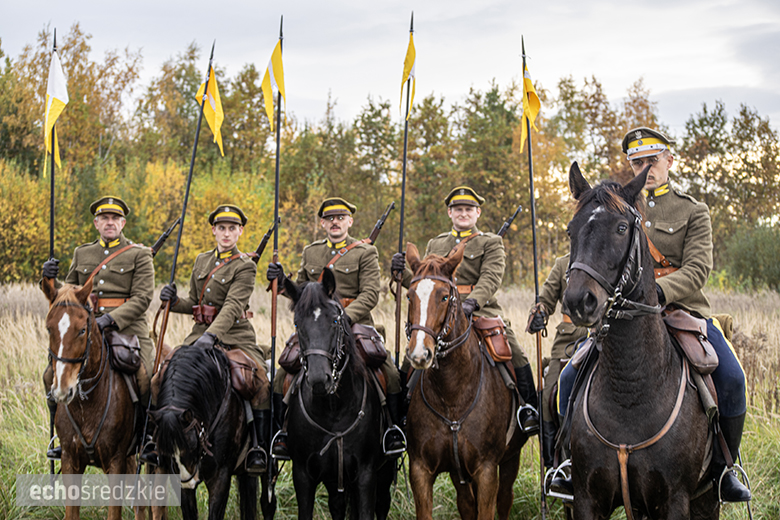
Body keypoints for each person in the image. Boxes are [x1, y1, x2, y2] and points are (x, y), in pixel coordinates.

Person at [553, 127, 750, 502]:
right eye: (637, 162)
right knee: (567, 378)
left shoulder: (693, 210)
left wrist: (660, 291)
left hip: (683, 311)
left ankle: (725, 470)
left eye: (652, 160)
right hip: (623, 314)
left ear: (669, 161)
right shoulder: (617, 209)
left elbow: (697, 270)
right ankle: (567, 464)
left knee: (732, 377)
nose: (646, 167)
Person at [392, 186, 540, 433]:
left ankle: (528, 409)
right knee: (412, 357)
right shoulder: (436, 242)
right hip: (439, 312)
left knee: (514, 351)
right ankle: (400, 416)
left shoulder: (490, 242)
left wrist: (473, 302)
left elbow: (491, 278)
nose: (463, 213)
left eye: (468, 209)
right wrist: (402, 273)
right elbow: (425, 284)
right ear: (450, 213)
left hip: (480, 310)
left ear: (477, 212)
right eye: (458, 209)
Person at [267, 197, 406, 458]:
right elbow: (300, 293)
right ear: (322, 223)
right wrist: (281, 281)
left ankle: (393, 430)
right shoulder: (311, 252)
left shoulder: (365, 252)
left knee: (390, 372)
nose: (335, 222)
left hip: (356, 324)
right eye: (330, 218)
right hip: (317, 328)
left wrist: (343, 317)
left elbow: (370, 295)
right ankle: (282, 434)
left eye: (340, 218)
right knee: (280, 375)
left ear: (350, 221)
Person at [157, 204, 269, 475]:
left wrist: (211, 336)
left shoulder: (245, 266)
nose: (227, 233)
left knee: (259, 381)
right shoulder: (202, 261)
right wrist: (174, 301)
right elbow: (195, 303)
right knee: (160, 376)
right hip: (199, 336)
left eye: (232, 228)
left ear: (240, 231)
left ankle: (259, 447)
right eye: (222, 228)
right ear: (214, 231)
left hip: (234, 336)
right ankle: (157, 440)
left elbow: (232, 306)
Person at [41, 196, 154, 460]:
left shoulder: (139, 254)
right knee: (50, 374)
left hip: (128, 328)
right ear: (96, 223)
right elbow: (65, 295)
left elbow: (143, 298)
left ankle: (149, 438)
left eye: (115, 218)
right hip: (85, 328)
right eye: (105, 218)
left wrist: (109, 320)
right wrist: (47, 279)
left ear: (123, 223)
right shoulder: (82, 253)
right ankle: (61, 435)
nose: (110, 222)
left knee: (146, 376)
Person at [526, 253, 588, 468]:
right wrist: (539, 312)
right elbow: (546, 300)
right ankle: (555, 462)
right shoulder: (563, 264)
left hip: (604, 334)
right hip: (568, 340)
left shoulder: (611, 255)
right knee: (548, 394)